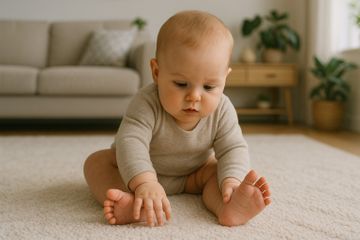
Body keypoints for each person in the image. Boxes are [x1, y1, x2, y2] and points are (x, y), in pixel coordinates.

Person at [83, 10, 271, 227]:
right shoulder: (146, 103)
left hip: (194, 175)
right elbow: (131, 142)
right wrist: (144, 181)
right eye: (181, 84)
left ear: (225, 79)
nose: (194, 96)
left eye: (209, 87)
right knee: (97, 163)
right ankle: (138, 204)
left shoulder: (223, 109)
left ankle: (228, 207)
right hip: (137, 173)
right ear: (156, 72)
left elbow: (233, 148)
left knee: (217, 172)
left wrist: (232, 181)